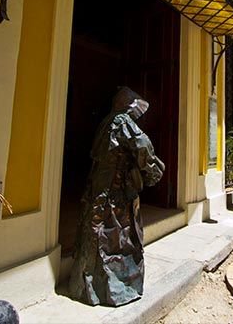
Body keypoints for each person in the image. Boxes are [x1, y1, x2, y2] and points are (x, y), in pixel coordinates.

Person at [69, 87, 165, 306]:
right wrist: (155, 171)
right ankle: (112, 288)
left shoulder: (106, 122)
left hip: (99, 189)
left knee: (97, 235)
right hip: (114, 191)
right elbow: (143, 147)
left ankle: (89, 288)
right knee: (113, 240)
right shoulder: (122, 122)